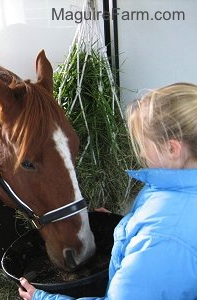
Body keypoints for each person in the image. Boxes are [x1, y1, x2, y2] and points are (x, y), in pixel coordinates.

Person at [18, 82, 197, 299]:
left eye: (143, 144)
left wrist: (43, 297)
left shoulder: (162, 239)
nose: (140, 153)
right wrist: (125, 225)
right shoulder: (177, 188)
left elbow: (162, 242)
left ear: (172, 149)